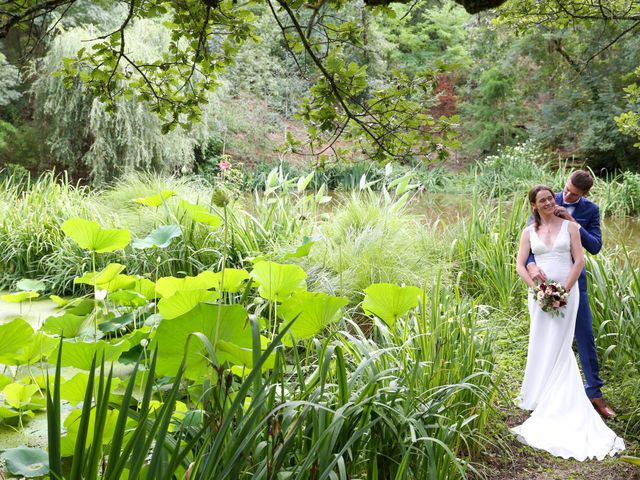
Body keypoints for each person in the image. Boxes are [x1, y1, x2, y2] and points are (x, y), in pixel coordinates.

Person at [512, 185, 624, 460]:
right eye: (544, 200)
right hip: (539, 294)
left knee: (564, 344)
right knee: (541, 340)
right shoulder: (529, 231)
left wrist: (564, 290)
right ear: (534, 206)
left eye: (551, 198)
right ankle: (537, 392)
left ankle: (581, 395)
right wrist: (537, 288)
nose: (550, 202)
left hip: (568, 291)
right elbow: (520, 263)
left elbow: (580, 259)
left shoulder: (571, 226)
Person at [525, 170, 615, 418]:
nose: (565, 195)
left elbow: (595, 247)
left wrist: (572, 223)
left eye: (573, 194)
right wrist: (531, 265)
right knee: (546, 336)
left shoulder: (590, 211)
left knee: (585, 335)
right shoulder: (546, 199)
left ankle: (594, 393)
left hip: (574, 284)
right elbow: (531, 238)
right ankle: (543, 389)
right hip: (544, 285)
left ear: (584, 194)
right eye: (566, 189)